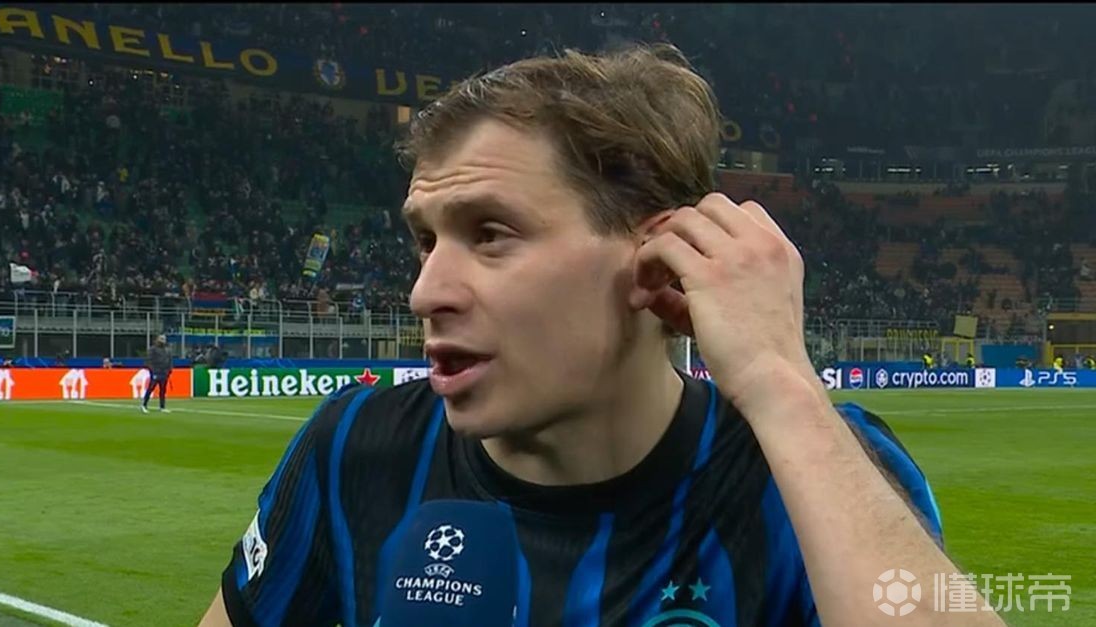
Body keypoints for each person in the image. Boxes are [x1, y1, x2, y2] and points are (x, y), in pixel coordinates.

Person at [200, 44, 1003, 627]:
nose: (425, 292)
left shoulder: (812, 470)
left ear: (657, 258)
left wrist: (779, 384)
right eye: (425, 239)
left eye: (490, 233)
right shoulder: (356, 448)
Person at [141, 334, 173, 414]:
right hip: (156, 372)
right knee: (151, 388)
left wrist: (169, 370)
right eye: (161, 339)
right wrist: (152, 370)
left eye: (164, 339)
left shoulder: (167, 350)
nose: (163, 340)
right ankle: (144, 405)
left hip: (164, 372)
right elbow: (149, 360)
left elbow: (170, 360)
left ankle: (162, 407)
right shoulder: (153, 349)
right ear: (158, 339)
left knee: (163, 390)